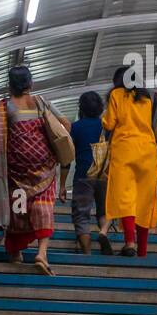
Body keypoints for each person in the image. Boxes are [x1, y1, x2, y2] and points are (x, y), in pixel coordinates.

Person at [0, 65, 67, 274]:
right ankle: (42, 253)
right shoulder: (40, 102)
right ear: (30, 83)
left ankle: (16, 253)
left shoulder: (4, 107)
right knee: (43, 206)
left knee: (18, 211)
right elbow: (64, 125)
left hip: (16, 173)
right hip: (43, 170)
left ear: (10, 85)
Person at [103, 66, 157, 258]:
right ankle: (143, 252)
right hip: (148, 154)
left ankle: (130, 242)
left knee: (126, 199)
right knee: (144, 203)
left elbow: (109, 124)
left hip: (124, 152)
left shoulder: (116, 95)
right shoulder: (152, 97)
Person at [61, 90, 112, 255]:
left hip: (83, 175)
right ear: (100, 108)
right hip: (105, 175)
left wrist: (62, 185)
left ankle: (87, 254)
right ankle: (103, 232)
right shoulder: (106, 126)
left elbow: (66, 158)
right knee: (104, 211)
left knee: (82, 215)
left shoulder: (75, 128)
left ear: (80, 108)